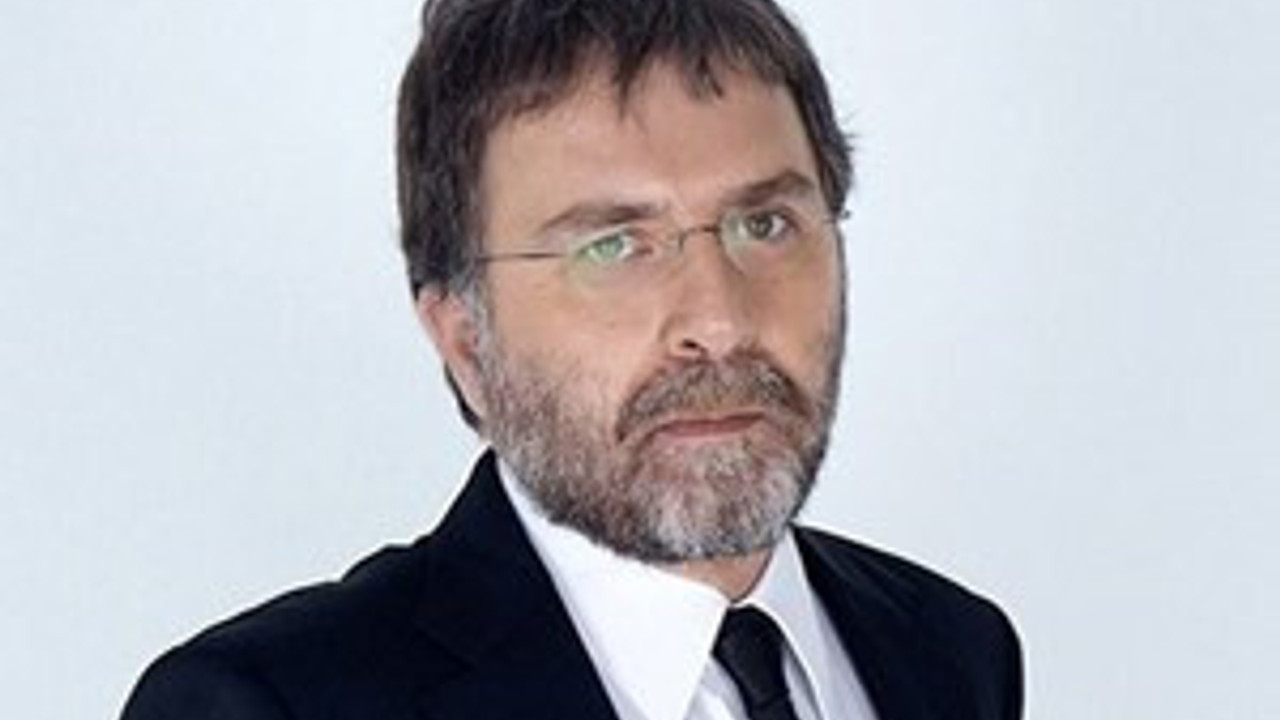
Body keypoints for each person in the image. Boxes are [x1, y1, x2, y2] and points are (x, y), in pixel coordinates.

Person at [121, 0, 1023, 718]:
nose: (718, 321)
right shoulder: (267, 705)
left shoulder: (951, 650)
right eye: (614, 246)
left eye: (765, 224)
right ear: (465, 339)